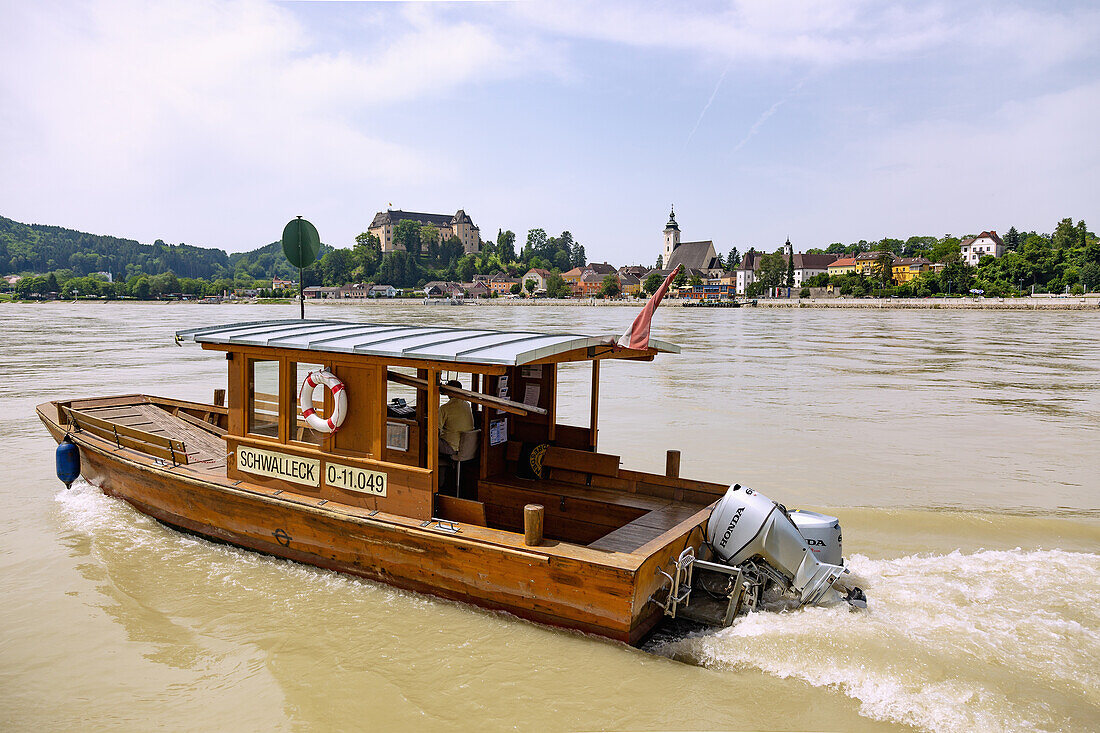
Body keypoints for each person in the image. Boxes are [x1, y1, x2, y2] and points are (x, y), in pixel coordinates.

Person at [438, 379, 474, 458]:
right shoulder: (467, 405)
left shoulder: (445, 408)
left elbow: (436, 429)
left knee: (426, 438)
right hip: (467, 447)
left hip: (452, 447)